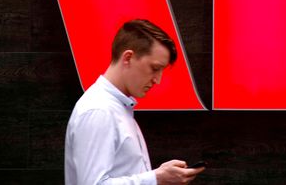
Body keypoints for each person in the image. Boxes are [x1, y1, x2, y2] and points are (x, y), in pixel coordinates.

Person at [65, 19, 205, 185]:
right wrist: (156, 178)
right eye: (155, 68)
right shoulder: (99, 110)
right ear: (128, 57)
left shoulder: (116, 108)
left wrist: (158, 176)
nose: (158, 80)